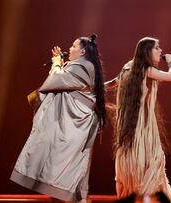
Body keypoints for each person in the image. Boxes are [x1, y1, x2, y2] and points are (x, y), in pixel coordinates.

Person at [10, 34, 106, 203]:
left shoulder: (83, 66)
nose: (70, 49)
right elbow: (58, 81)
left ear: (83, 51)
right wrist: (59, 65)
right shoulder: (80, 66)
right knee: (62, 177)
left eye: (74, 46)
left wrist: (56, 63)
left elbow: (56, 79)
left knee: (63, 176)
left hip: (73, 130)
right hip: (72, 128)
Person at [104, 37, 171, 203]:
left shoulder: (127, 67)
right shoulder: (147, 69)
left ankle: (135, 192)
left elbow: (113, 83)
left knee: (133, 163)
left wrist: (98, 88)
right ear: (147, 51)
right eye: (157, 48)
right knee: (149, 161)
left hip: (130, 126)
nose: (160, 51)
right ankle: (145, 193)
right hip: (142, 128)